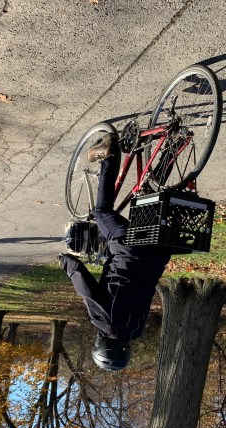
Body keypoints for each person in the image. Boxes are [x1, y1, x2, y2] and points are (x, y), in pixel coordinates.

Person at [59, 133, 172, 372]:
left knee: (150, 196)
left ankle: (172, 147)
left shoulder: (136, 330)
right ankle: (108, 156)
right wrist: (66, 262)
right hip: (128, 248)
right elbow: (85, 286)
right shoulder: (105, 323)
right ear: (99, 345)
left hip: (159, 253)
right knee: (101, 212)